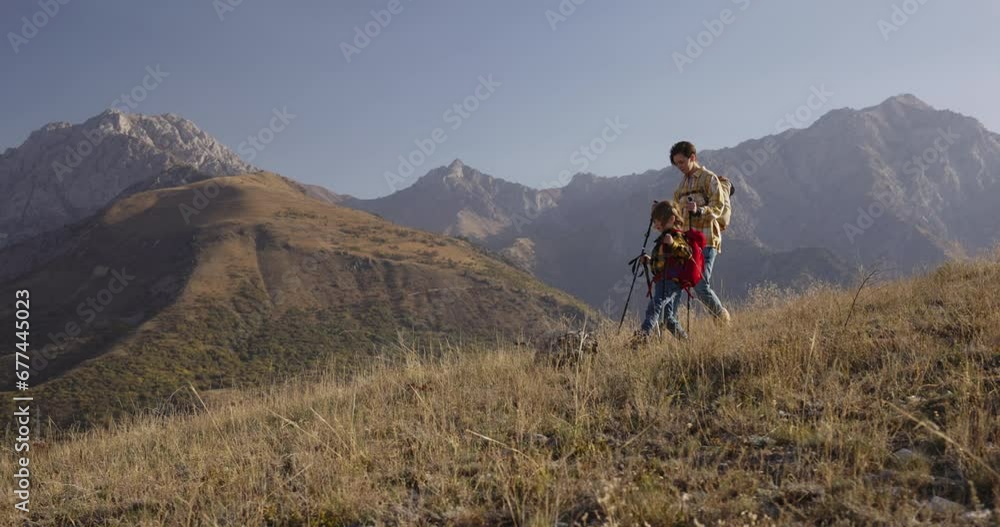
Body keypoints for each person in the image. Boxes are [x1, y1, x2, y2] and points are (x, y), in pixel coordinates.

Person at [667, 141, 731, 324]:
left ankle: (722, 319)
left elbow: (718, 206)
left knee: (700, 284)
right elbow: (677, 215)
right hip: (686, 243)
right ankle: (670, 324)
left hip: (707, 239)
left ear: (692, 158)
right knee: (681, 284)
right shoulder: (680, 187)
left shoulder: (708, 178)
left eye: (681, 162)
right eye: (676, 163)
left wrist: (699, 210)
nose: (679, 167)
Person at [636, 201, 705, 341]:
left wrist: (673, 244)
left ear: (671, 219)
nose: (656, 225)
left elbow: (687, 253)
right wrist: (649, 261)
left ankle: (642, 338)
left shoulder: (676, 236)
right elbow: (663, 261)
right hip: (666, 281)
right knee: (668, 318)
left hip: (670, 282)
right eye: (655, 222)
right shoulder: (665, 238)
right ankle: (686, 342)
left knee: (654, 307)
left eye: (658, 222)